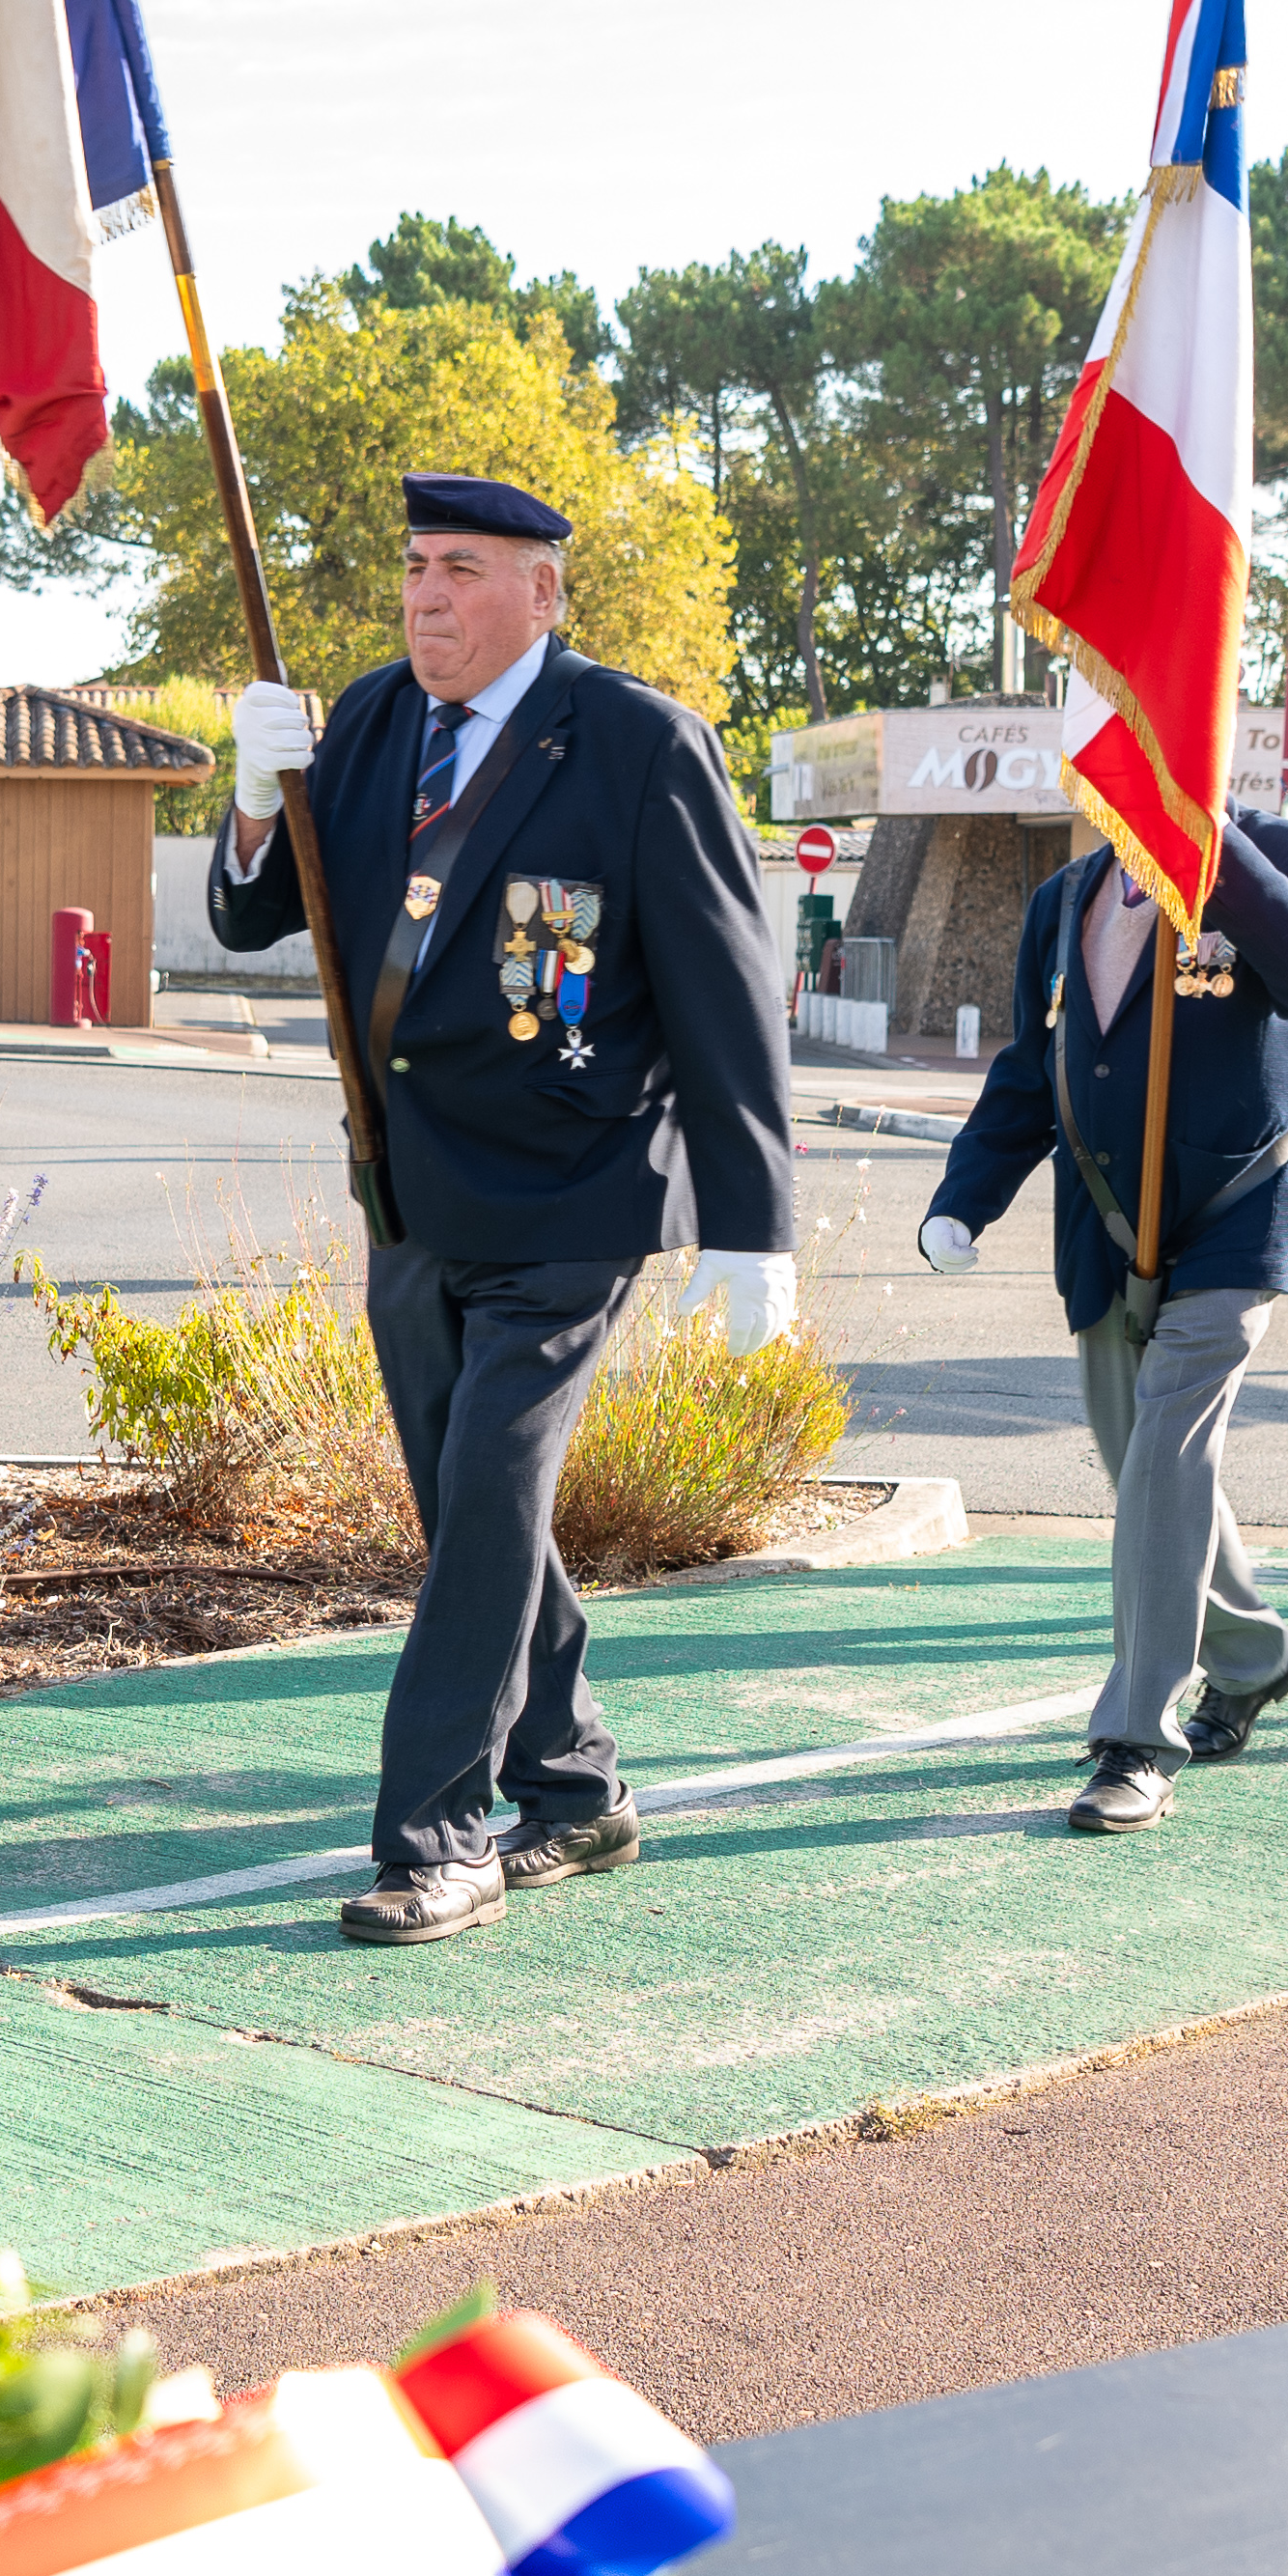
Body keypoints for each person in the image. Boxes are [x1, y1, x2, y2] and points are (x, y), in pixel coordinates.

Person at [203, 473, 796, 1945]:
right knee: (474, 1508)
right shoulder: (369, 722)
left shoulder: (636, 743)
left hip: (569, 1195)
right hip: (408, 1192)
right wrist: (248, 801)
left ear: (540, 591)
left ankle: (437, 1834)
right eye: (411, 565)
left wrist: (751, 1221)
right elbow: (253, 917)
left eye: (458, 568)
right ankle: (575, 1783)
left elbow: (724, 993)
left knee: (481, 1502)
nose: (423, 597)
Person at [919, 796, 1288, 1830]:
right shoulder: (1066, 897)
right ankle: (1252, 1656)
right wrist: (965, 1195)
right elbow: (1034, 1066)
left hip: (1234, 1215)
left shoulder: (1287, 856)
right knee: (1143, 1461)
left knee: (1164, 1454)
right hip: (1108, 1225)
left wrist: (1218, 848)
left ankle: (1136, 1738)